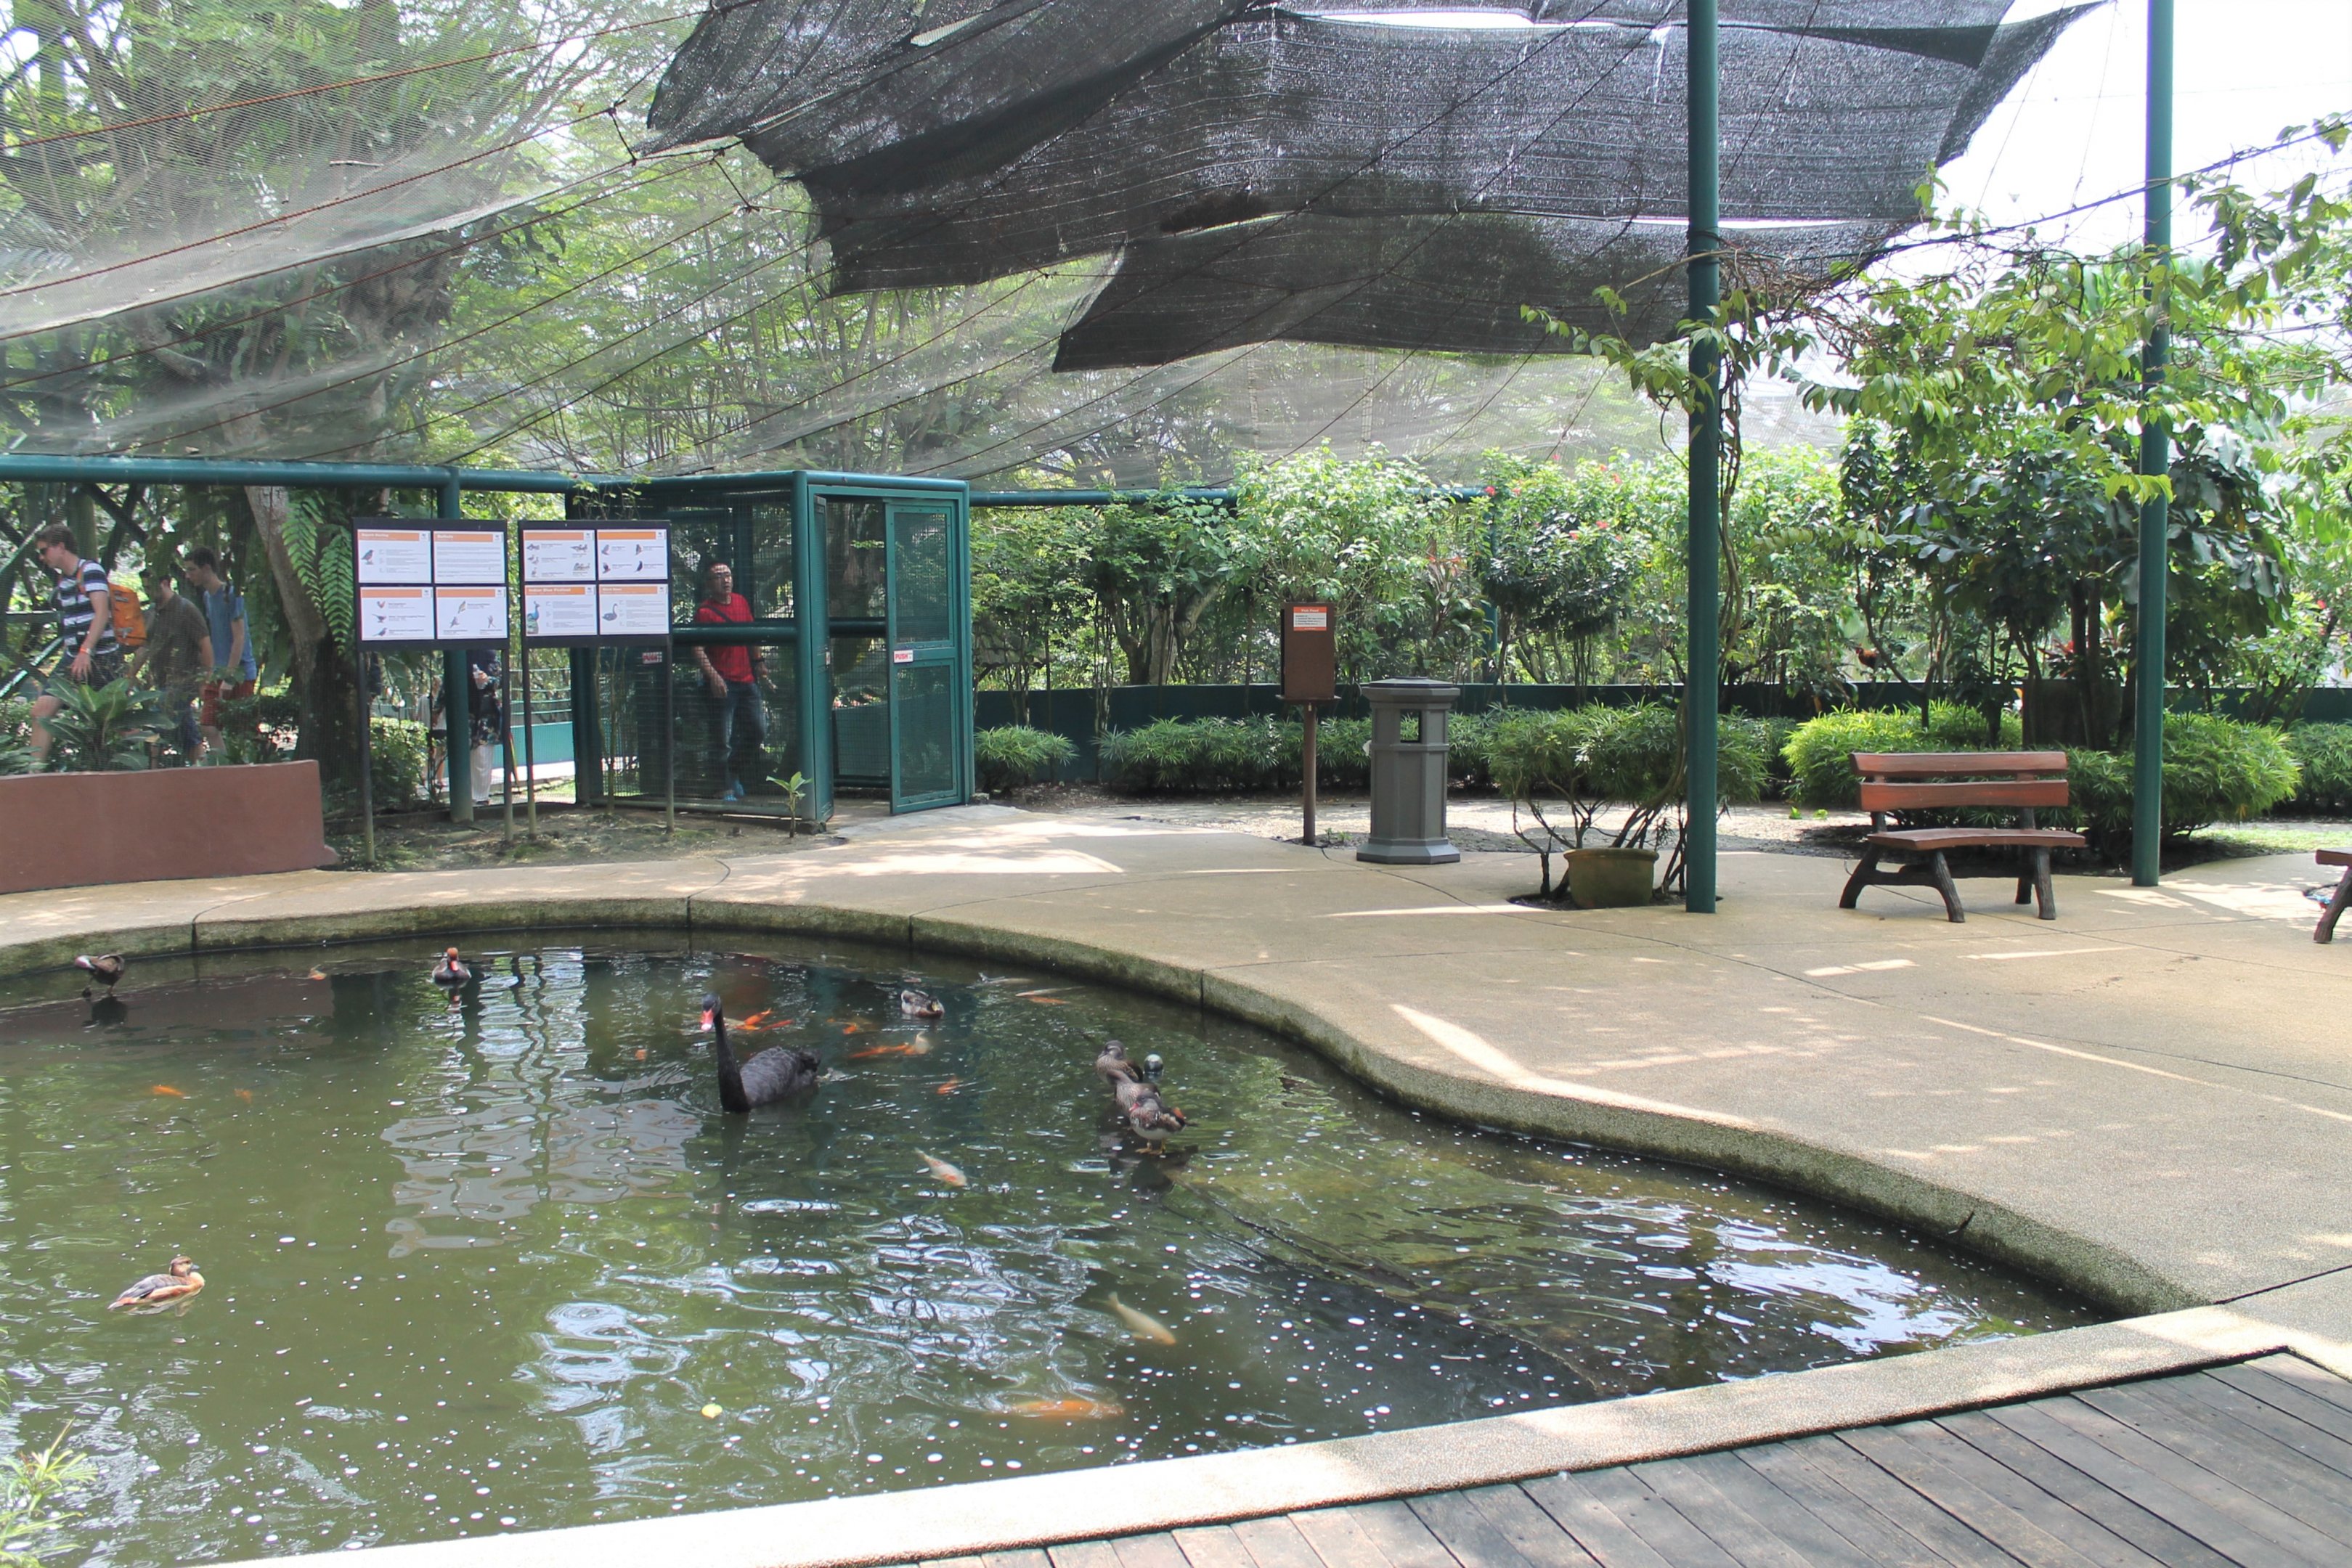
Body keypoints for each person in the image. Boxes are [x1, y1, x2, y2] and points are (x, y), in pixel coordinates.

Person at [28, 524, 123, 767]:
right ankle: (32, 777)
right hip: (73, 657)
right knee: (41, 711)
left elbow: (102, 614)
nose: (42, 557)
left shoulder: (90, 570)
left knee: (119, 723)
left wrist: (86, 650)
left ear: (60, 547)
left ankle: (148, 769)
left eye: (44, 550)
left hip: (101, 658)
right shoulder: (64, 580)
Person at [691, 560, 766, 801]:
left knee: (758, 731)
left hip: (746, 681)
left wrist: (760, 662)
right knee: (721, 739)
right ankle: (724, 787)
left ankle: (733, 772)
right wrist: (713, 677)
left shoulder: (741, 602)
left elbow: (751, 635)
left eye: (728, 575)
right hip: (723, 684)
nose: (726, 580)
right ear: (709, 583)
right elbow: (698, 649)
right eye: (719, 576)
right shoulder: (705, 612)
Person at [128, 563, 213, 762]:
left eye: (151, 587)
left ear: (165, 583)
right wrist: (130, 676)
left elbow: (205, 644)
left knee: (154, 725)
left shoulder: (186, 609)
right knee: (188, 736)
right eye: (145, 588)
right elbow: (144, 648)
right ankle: (202, 770)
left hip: (184, 682)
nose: (148, 592)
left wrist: (206, 681)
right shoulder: (151, 613)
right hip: (162, 683)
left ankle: (151, 773)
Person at [183, 546, 256, 762]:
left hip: (240, 671)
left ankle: (244, 770)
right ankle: (227, 768)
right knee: (208, 724)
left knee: (242, 730)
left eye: (192, 570)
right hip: (219, 671)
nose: (188, 576)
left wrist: (230, 678)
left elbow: (239, 638)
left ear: (206, 568)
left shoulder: (231, 594)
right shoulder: (208, 597)